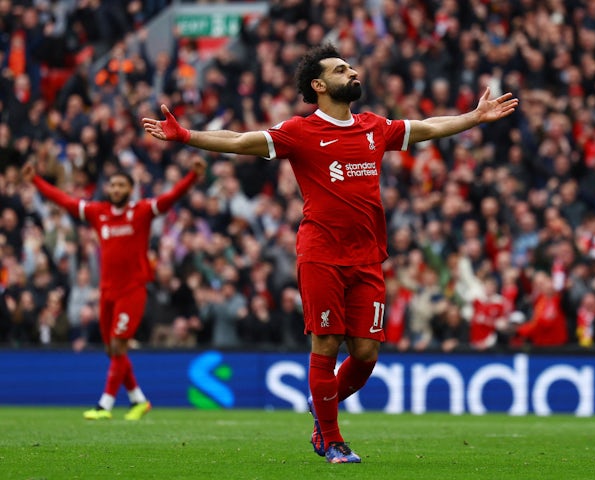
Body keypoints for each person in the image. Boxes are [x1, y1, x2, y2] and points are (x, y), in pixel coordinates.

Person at [142, 43, 518, 463]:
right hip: (321, 252)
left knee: (366, 354)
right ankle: (331, 439)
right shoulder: (300, 132)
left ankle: (322, 403)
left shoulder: (375, 126)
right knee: (326, 343)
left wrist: (474, 117)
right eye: (342, 69)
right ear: (319, 85)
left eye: (351, 66)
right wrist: (187, 136)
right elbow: (240, 141)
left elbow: (428, 127)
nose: (352, 71)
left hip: (368, 256)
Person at [21, 157, 205, 420]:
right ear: (108, 190)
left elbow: (170, 198)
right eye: (113, 185)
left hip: (132, 290)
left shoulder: (141, 212)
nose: (116, 189)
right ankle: (138, 400)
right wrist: (35, 181)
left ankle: (104, 405)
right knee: (111, 350)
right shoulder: (99, 213)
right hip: (107, 292)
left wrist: (192, 177)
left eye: (121, 185)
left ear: (130, 190)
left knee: (119, 346)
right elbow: (65, 201)